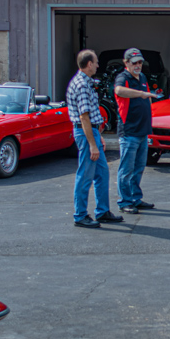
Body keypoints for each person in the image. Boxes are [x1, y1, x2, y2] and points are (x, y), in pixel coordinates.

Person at [66, 49, 123, 228]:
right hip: (86, 134)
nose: (98, 65)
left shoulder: (85, 83)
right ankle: (80, 215)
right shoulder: (82, 85)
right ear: (89, 64)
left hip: (92, 133)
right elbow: (84, 117)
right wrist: (92, 144)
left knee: (102, 173)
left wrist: (98, 137)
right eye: (96, 62)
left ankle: (102, 211)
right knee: (85, 175)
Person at [114, 47, 158, 214]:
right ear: (126, 63)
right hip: (129, 131)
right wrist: (141, 94)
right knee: (126, 170)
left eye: (140, 62)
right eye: (134, 63)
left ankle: (135, 198)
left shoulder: (143, 77)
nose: (138, 65)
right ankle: (124, 201)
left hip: (142, 131)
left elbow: (147, 97)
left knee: (139, 168)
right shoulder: (123, 77)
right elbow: (118, 90)